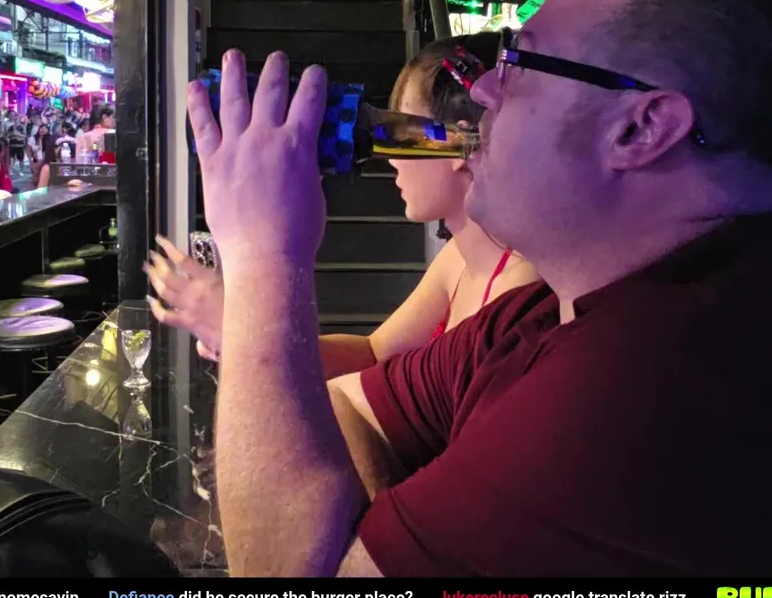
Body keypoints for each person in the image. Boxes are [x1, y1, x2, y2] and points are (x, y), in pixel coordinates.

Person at [185, 0, 772, 577]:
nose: (483, 88)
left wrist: (262, 256)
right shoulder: (564, 307)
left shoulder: (672, 374)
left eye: (522, 62)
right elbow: (353, 408)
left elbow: (289, 574)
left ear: (641, 128)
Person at [148, 33, 537, 371]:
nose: (390, 156)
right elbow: (373, 355)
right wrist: (243, 334)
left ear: (458, 144)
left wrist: (248, 331)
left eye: (401, 130)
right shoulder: (459, 260)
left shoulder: (521, 298)